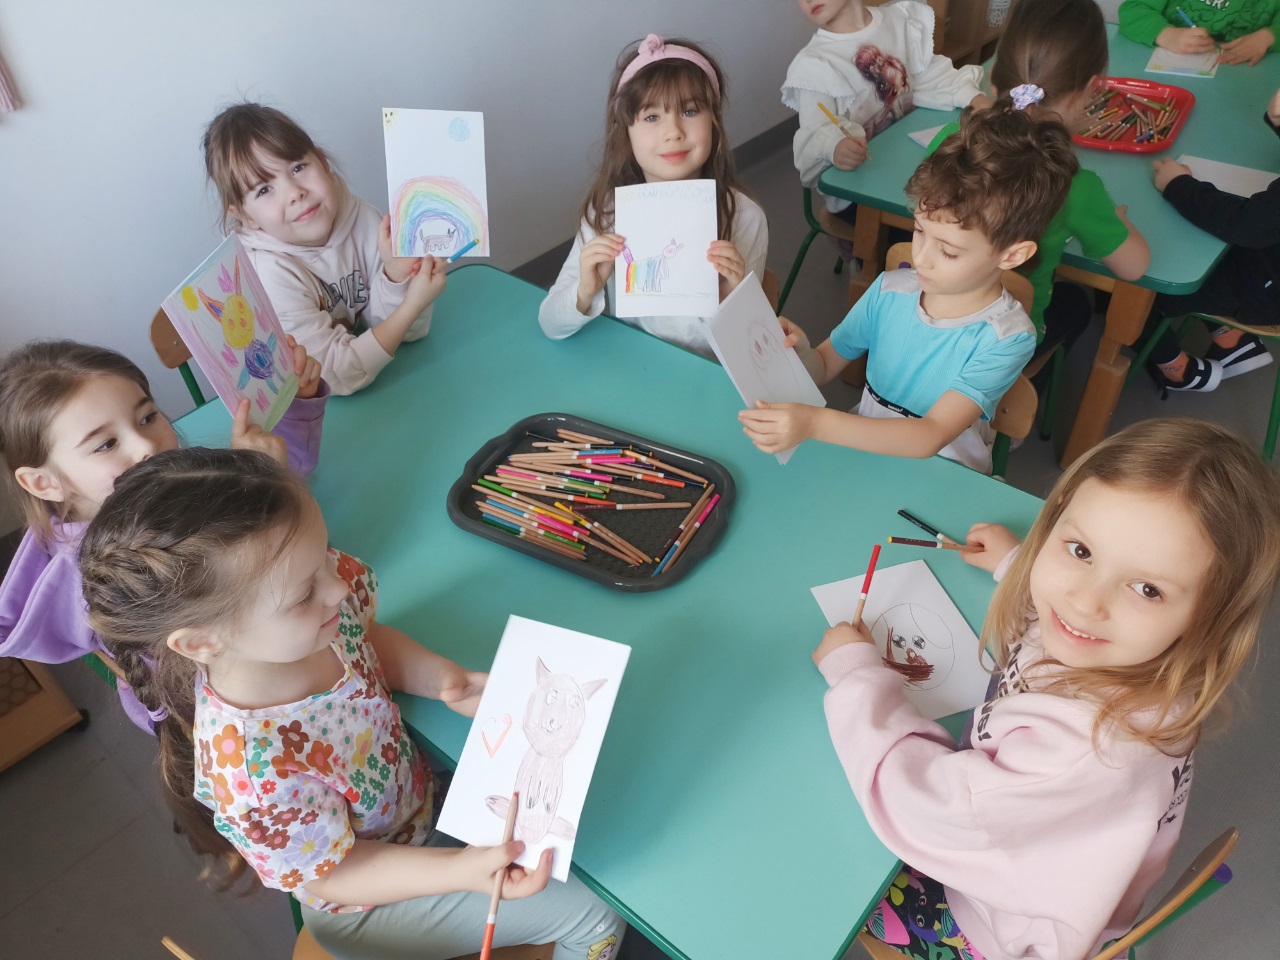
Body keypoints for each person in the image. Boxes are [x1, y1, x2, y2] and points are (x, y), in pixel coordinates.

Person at [78, 448, 625, 960]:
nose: (337, 588)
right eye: (303, 592)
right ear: (202, 642)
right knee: (597, 914)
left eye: (324, 558)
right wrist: (460, 870)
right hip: (367, 903)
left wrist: (441, 678)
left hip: (423, 812)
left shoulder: (312, 615)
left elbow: (366, 637)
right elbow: (334, 872)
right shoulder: (251, 771)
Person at [815, 417, 1280, 960]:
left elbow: (923, 808)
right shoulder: (1142, 649)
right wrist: (1017, 563)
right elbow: (1079, 590)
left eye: (1147, 589)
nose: (1083, 602)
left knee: (824, 872)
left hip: (991, 926)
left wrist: (856, 677)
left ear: (1210, 617)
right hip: (1041, 853)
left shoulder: (1088, 750)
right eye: (1080, 551)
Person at [0, 338, 325, 732]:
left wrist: (292, 407)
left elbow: (289, 508)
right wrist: (255, 486)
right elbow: (252, 633)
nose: (146, 446)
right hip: (231, 709)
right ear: (44, 482)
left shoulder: (159, 486)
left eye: (147, 417)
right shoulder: (121, 570)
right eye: (106, 444)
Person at [738, 103, 1076, 473]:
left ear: (1013, 255)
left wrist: (814, 423)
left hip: (942, 478)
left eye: (948, 251)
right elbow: (823, 364)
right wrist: (802, 355)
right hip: (866, 460)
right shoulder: (890, 290)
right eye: (918, 230)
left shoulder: (1007, 337)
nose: (921, 259)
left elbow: (930, 435)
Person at [928, 0, 1150, 359]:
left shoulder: (950, 142)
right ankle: (1028, 385)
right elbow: (1135, 267)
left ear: (993, 75)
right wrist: (1116, 220)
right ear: (1092, 90)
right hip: (1005, 343)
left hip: (931, 319)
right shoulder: (1076, 186)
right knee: (1076, 302)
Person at [538, 35, 768, 359]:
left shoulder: (745, 218)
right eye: (651, 117)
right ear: (626, 132)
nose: (673, 132)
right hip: (624, 368)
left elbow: (745, 352)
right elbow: (550, 324)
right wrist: (584, 291)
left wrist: (728, 297)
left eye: (690, 111)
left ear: (714, 122)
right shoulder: (606, 212)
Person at [205, 102, 447, 394]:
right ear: (244, 215)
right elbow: (337, 376)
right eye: (264, 189)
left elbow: (407, 333)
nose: (295, 193)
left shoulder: (362, 218)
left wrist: (396, 277)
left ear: (322, 162)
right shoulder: (268, 273)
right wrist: (411, 305)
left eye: (297, 168)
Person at [782, 0, 987, 221]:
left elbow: (925, 73)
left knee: (976, 197)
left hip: (911, 167)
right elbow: (815, 132)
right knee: (950, 222)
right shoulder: (814, 65)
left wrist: (971, 96)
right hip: (861, 199)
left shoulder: (897, 21)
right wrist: (834, 147)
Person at [1142, 86, 1280, 392]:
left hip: (1265, 291)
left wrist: (1177, 185)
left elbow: (1248, 225)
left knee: (1131, 282)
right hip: (1266, 269)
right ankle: (1231, 339)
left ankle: (1177, 369)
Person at [1119, 0, 1280, 66]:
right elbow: (1132, 11)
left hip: (1245, 80)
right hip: (1172, 75)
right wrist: (1166, 34)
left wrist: (1270, 35)